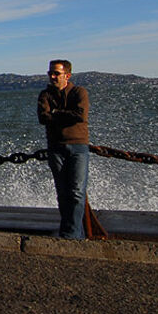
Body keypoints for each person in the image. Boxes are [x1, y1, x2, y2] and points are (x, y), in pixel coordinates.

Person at [37, 59, 90, 239]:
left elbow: (80, 115)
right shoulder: (45, 95)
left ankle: (72, 233)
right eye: (50, 73)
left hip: (78, 146)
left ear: (67, 75)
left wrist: (56, 113)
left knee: (76, 192)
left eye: (56, 73)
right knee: (62, 192)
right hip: (56, 148)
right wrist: (65, 115)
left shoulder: (79, 92)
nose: (52, 76)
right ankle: (72, 231)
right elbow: (43, 117)